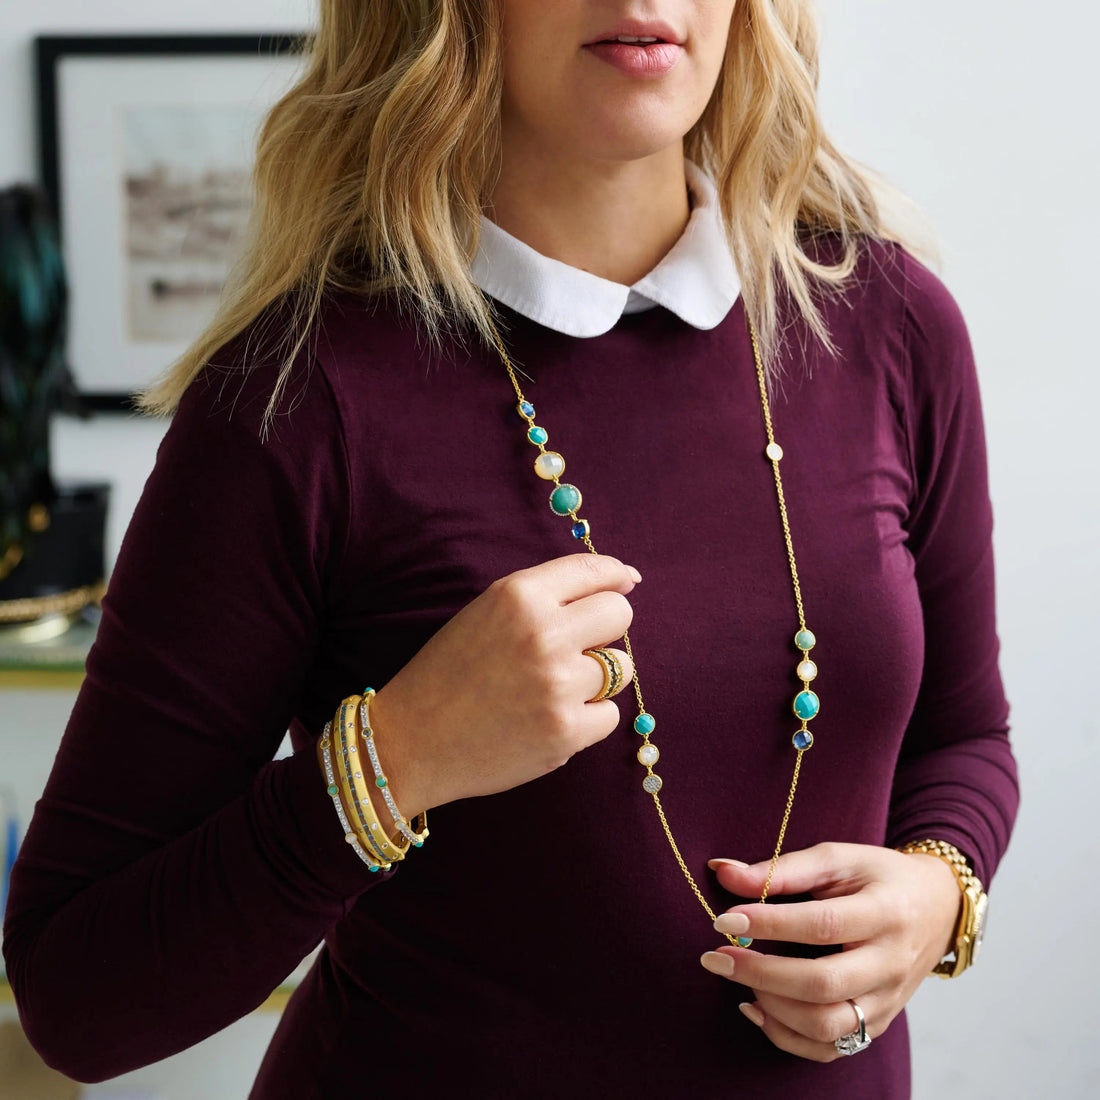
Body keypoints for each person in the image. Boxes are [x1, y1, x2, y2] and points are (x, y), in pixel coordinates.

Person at [2, 1, 1019, 1096]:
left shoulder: (886, 324)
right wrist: (394, 759)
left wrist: (938, 892)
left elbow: (963, 736)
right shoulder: (294, 401)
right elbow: (74, 992)